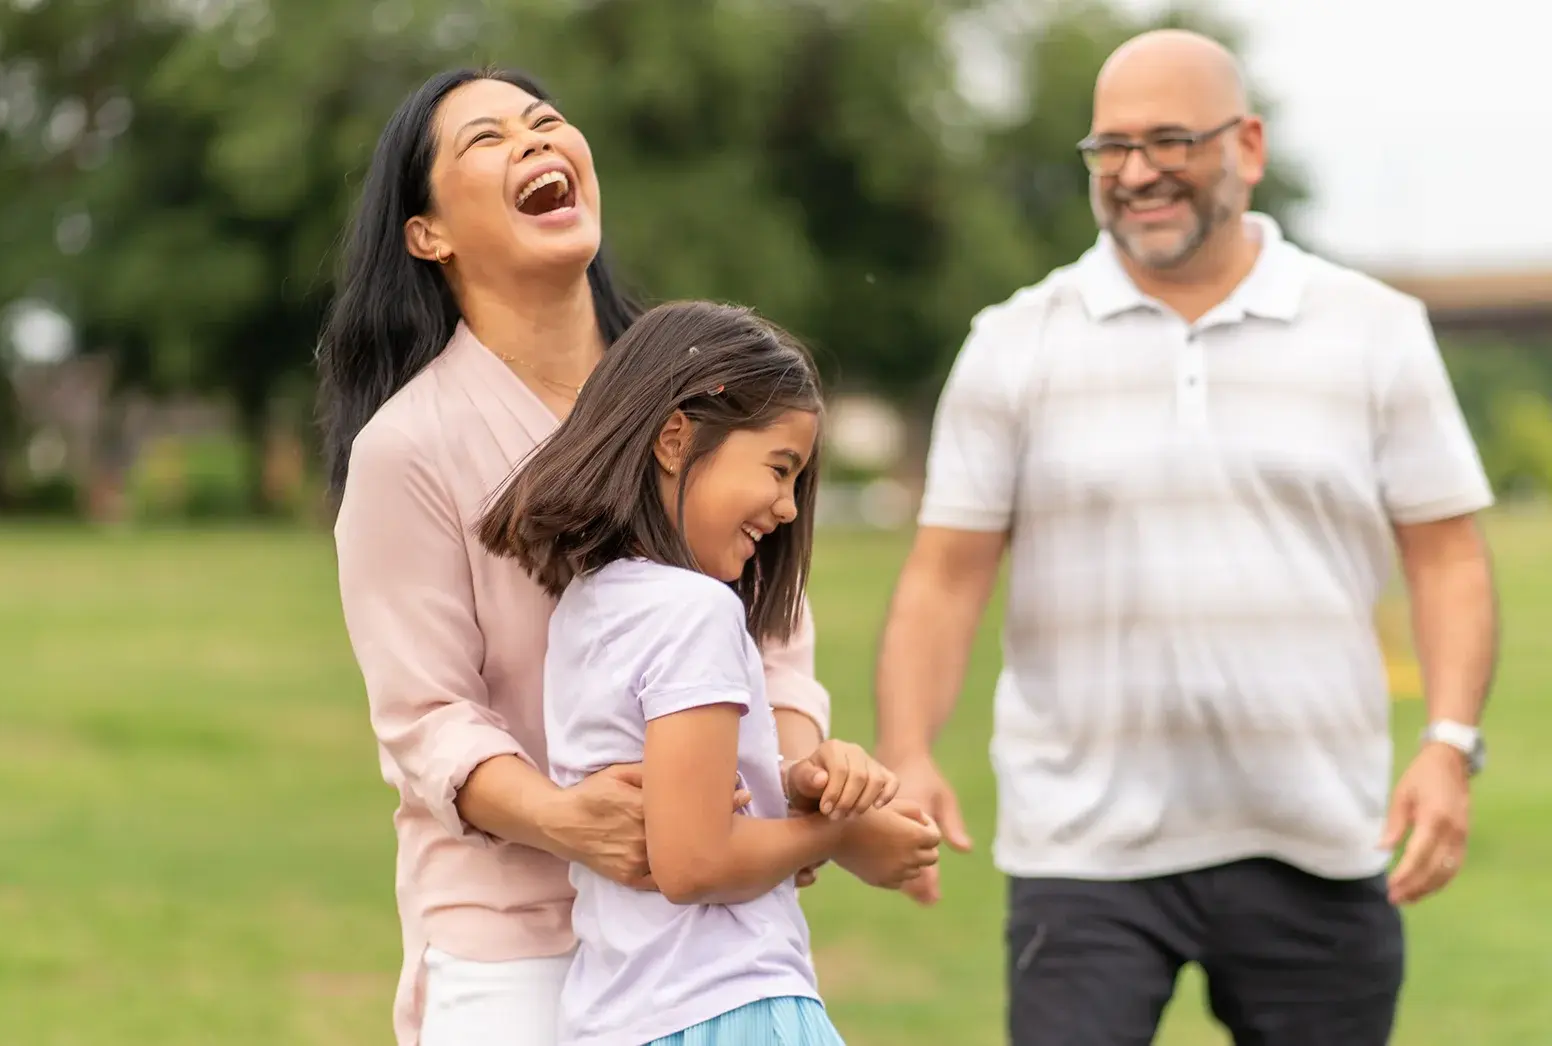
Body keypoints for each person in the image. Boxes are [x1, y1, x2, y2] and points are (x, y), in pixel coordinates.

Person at [870, 29, 1498, 1046]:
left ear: (1246, 145)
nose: (1136, 172)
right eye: (1109, 148)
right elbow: (945, 579)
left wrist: (1449, 743)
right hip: (1083, 852)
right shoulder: (1015, 341)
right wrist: (906, 747)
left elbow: (1448, 556)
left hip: (1317, 831)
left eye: (1170, 139)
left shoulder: (1371, 327)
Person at [325, 68, 876, 1046]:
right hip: (513, 937)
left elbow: (775, 625)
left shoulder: (697, 381)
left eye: (545, 122)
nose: (535, 141)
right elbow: (426, 717)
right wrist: (568, 819)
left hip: (698, 945)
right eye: (486, 140)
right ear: (428, 233)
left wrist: (802, 768)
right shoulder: (409, 447)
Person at [476, 300, 943, 1046]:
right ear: (674, 439)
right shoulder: (696, 610)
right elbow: (694, 861)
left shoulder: (590, 605)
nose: (789, 508)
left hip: (622, 1015)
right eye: (780, 469)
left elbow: (684, 809)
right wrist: (838, 837)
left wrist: (794, 785)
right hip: (729, 1007)